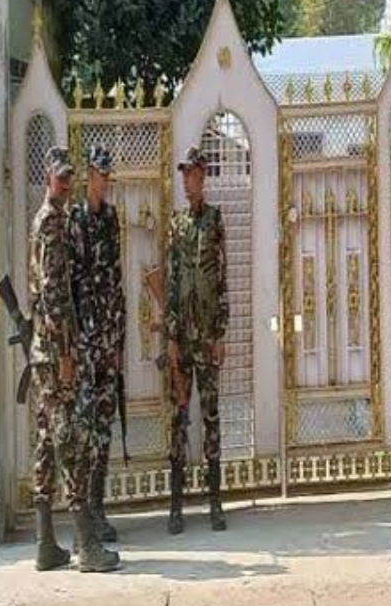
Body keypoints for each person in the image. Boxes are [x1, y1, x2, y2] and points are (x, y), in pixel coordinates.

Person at [28, 145, 120, 573]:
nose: (65, 183)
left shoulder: (52, 219)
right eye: (60, 177)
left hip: (45, 350)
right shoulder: (51, 223)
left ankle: (46, 543)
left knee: (48, 440)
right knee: (70, 441)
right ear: (48, 177)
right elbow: (53, 294)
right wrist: (66, 351)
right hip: (55, 351)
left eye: (69, 177)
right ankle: (87, 545)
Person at [165, 145, 229, 534]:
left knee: (211, 416)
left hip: (206, 336)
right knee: (178, 418)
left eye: (191, 175)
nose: (186, 181)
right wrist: (171, 338)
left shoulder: (215, 220)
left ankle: (215, 503)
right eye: (184, 175)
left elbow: (221, 279)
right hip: (183, 340)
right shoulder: (176, 225)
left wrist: (220, 334)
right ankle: (175, 507)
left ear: (202, 177)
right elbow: (171, 282)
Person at [69, 146, 125, 543]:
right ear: (88, 175)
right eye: (99, 175)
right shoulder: (74, 219)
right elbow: (71, 283)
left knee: (104, 425)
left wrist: (118, 339)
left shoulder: (110, 218)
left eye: (107, 176)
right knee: (85, 428)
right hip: (85, 341)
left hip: (107, 337)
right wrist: (73, 345)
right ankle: (82, 518)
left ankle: (98, 509)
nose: (103, 182)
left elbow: (116, 278)